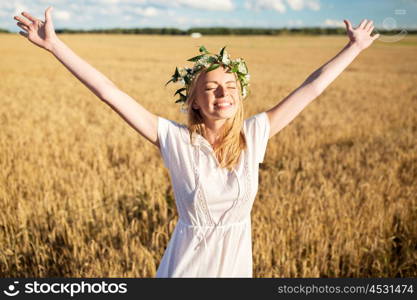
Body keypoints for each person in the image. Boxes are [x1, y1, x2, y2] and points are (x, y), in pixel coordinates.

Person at [14, 6, 380, 277]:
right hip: (186, 270)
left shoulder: (254, 134)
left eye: (231, 87)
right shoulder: (174, 140)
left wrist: (355, 48)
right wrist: (56, 46)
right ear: (193, 100)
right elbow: (110, 93)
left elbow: (311, 88)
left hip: (236, 269)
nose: (223, 94)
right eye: (211, 88)